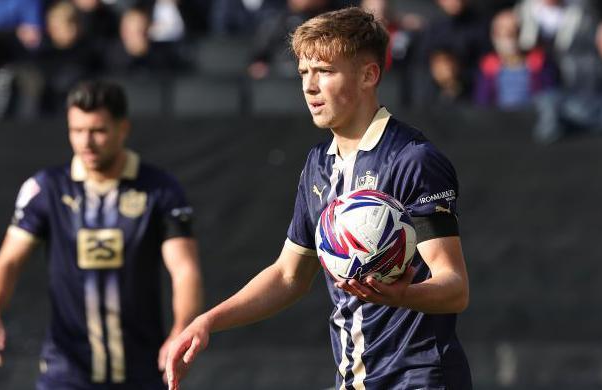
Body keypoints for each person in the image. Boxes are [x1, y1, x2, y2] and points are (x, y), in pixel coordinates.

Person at [166, 7, 471, 390]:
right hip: (353, 381)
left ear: (368, 75)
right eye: (304, 73)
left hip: (419, 380)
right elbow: (289, 275)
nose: (310, 87)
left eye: (324, 71)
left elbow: (455, 287)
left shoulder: (412, 159)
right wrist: (208, 321)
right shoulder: (318, 164)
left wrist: (402, 294)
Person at [0, 80, 203, 389]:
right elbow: (8, 262)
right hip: (65, 373)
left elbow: (184, 270)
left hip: (142, 371)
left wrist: (181, 329)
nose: (86, 142)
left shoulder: (160, 189)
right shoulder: (46, 189)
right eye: (77, 130)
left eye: (98, 131)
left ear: (122, 128)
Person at [475, 9, 556, 109]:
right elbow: (482, 103)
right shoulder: (488, 66)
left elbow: (550, 97)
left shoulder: (539, 62)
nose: (508, 35)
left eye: (514, 30)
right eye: (502, 31)